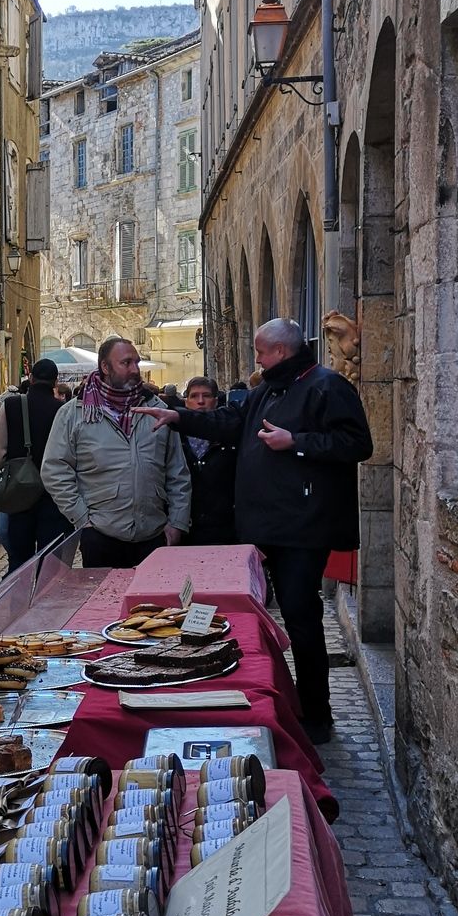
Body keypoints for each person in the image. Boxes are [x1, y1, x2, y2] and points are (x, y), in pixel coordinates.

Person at [135, 318, 373, 744]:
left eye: (262, 352)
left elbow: (357, 444)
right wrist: (178, 416)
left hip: (303, 528)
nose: (257, 359)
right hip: (263, 527)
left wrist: (296, 440)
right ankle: (266, 696)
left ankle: (316, 713)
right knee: (259, 617)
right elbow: (228, 422)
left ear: (281, 352)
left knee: (301, 618)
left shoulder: (326, 386)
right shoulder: (266, 390)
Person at [41, 336, 192, 569]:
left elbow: (177, 471)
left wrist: (177, 523)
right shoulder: (76, 413)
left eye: (137, 363)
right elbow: (54, 469)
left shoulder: (158, 411)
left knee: (152, 604)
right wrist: (82, 518)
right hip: (101, 533)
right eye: (126, 363)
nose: (135, 369)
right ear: (105, 367)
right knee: (104, 604)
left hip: (153, 534)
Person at [0, 357, 71, 573]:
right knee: (50, 564)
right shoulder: (63, 410)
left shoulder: (12, 405)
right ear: (55, 382)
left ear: (31, 378)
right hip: (53, 494)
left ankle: (17, 603)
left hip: (19, 494)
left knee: (19, 560)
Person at [179, 376, 239, 546]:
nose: (200, 401)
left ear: (215, 401)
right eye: (194, 396)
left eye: (206, 396)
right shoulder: (175, 437)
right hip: (186, 526)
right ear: (186, 401)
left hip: (225, 526)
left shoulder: (230, 436)